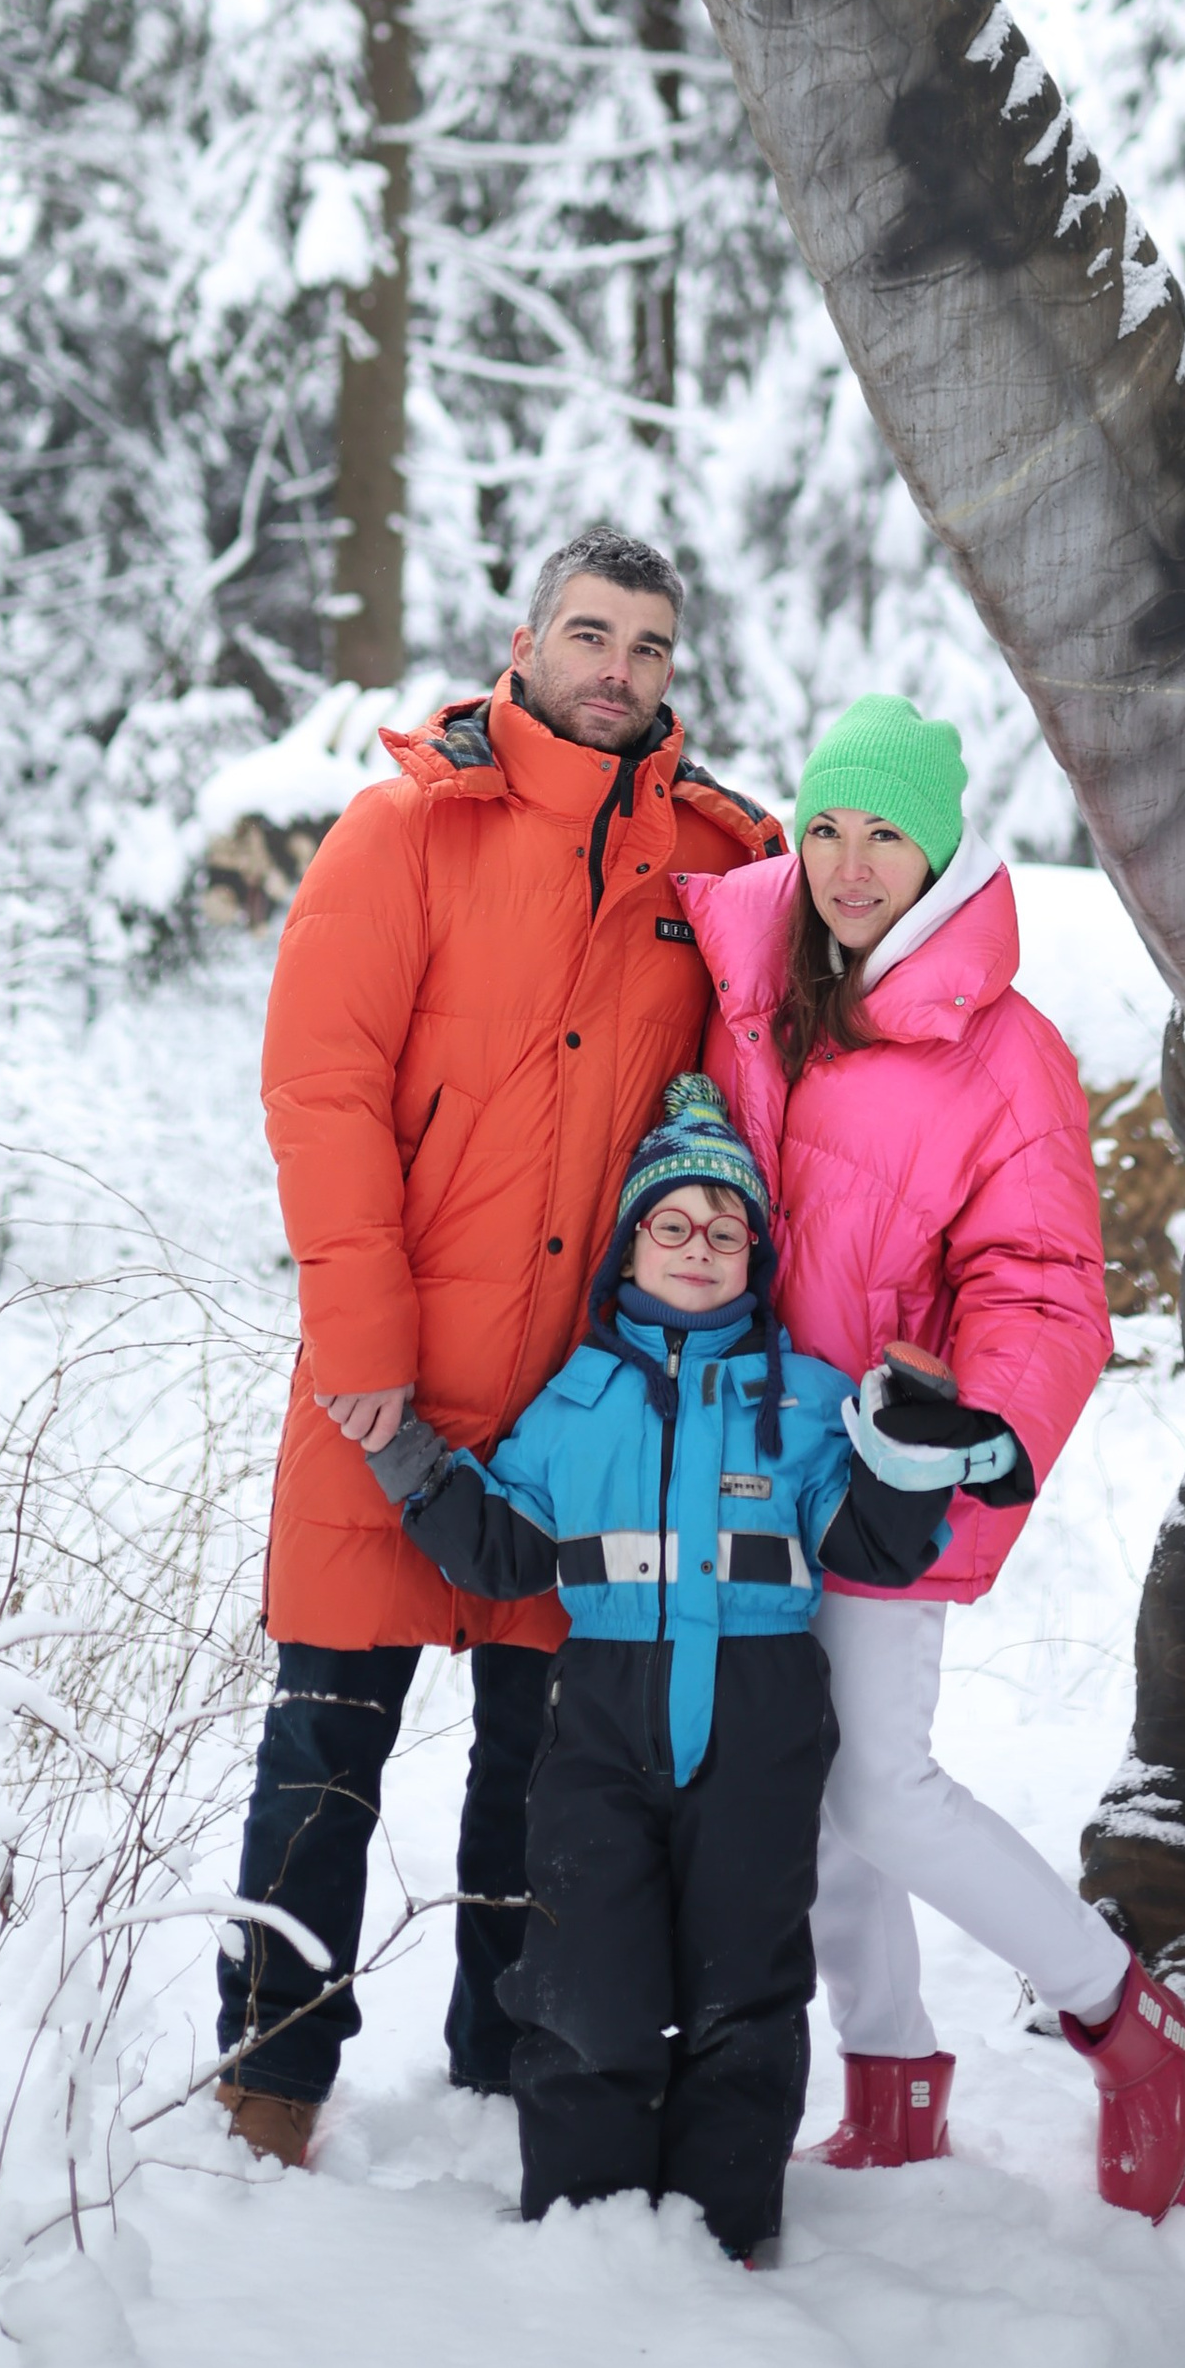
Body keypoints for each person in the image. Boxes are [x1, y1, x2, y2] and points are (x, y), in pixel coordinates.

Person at [213, 529, 783, 2166]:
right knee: (326, 1742)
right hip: (387, 1382)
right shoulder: (404, 831)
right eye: (591, 634)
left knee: (550, 1772)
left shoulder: (716, 865)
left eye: (650, 646)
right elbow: (321, 1092)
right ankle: (270, 2082)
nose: (620, 669)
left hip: (583, 1411)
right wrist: (361, 1338)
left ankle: (505, 2067)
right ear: (524, 644)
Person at [682, 693, 1185, 2219]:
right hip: (755, 1455)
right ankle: (891, 2078)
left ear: (939, 853)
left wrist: (963, 1438)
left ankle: (1130, 2019)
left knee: (884, 1790)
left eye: (886, 837)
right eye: (827, 830)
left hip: (887, 1473)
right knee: (813, 1785)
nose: (851, 866)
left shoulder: (1004, 1051)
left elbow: (1044, 1288)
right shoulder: (758, 986)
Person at [359, 1084, 960, 2261]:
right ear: (629, 1247)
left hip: (760, 1723)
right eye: (671, 1224)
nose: (698, 1247)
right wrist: (407, 1459)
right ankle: (584, 2225)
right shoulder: (576, 1399)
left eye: (725, 1230)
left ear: (756, 1256)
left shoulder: (807, 1399)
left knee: (747, 1980)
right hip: (599, 1726)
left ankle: (725, 2231)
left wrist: (912, 1448)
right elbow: (506, 1552)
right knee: (587, 1972)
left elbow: (873, 1547)